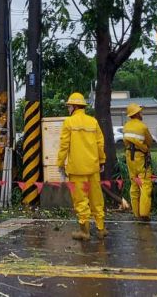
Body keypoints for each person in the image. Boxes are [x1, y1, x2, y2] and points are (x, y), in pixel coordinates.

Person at [57, 91, 105, 241]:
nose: (68, 109)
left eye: (69, 106)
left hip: (77, 169)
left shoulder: (69, 122)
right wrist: (102, 161)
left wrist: (60, 163)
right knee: (97, 198)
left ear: (74, 106)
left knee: (81, 200)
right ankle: (101, 229)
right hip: (93, 167)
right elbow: (100, 143)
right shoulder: (93, 122)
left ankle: (85, 232)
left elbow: (64, 145)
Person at [122, 103, 154, 221]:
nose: (142, 113)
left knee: (134, 183)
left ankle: (136, 214)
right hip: (141, 158)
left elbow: (126, 143)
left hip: (129, 157)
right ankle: (144, 214)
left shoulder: (125, 126)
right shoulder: (142, 127)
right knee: (144, 184)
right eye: (140, 112)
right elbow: (149, 142)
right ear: (136, 114)